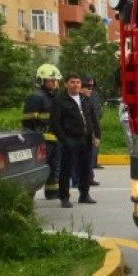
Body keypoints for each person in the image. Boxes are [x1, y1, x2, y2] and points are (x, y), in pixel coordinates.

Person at [51, 73, 98, 208]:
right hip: (69, 140)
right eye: (72, 82)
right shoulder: (59, 101)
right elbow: (55, 123)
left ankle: (84, 195)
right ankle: (64, 197)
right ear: (66, 84)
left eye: (78, 82)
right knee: (66, 169)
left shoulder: (85, 99)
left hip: (86, 139)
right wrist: (64, 139)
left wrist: (97, 135)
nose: (76, 85)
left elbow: (93, 118)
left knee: (85, 168)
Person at [22, 63, 61, 200]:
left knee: (55, 168)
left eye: (55, 80)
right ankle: (28, 196)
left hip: (55, 140)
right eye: (51, 80)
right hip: (41, 140)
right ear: (41, 81)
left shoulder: (56, 97)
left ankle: (52, 193)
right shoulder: (36, 98)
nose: (54, 83)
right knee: (37, 169)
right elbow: (28, 122)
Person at [71, 77, 102, 188]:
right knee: (75, 159)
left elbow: (95, 119)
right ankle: (76, 180)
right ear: (81, 89)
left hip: (89, 134)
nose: (90, 90)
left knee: (88, 157)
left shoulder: (88, 101)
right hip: (75, 135)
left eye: (91, 88)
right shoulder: (73, 101)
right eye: (87, 88)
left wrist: (97, 135)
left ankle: (88, 178)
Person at [82, 76, 104, 172]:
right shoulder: (83, 98)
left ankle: (93, 162)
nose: (91, 85)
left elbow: (97, 108)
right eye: (89, 83)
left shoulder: (94, 94)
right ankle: (91, 164)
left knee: (95, 144)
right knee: (90, 145)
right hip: (88, 124)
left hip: (94, 121)